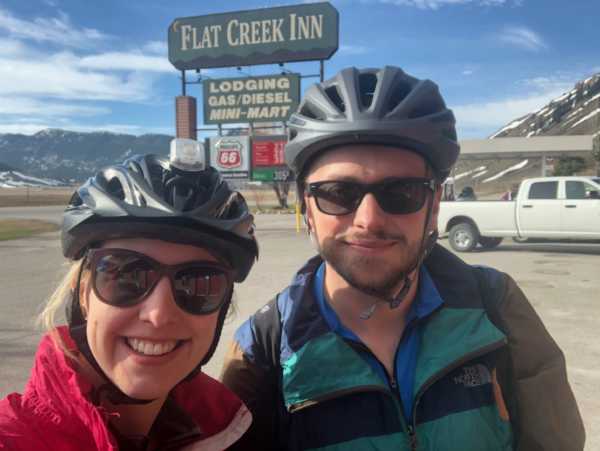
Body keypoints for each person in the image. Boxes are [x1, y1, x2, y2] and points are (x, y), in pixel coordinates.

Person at [220, 66, 585, 450]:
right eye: (337, 193)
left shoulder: (496, 307)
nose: (368, 220)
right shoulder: (262, 351)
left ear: (435, 203)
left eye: (403, 192)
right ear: (307, 208)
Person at [0, 147, 259, 450]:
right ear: (82, 292)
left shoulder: (228, 430)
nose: (159, 314)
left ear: (222, 308)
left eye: (198, 283)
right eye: (126, 276)